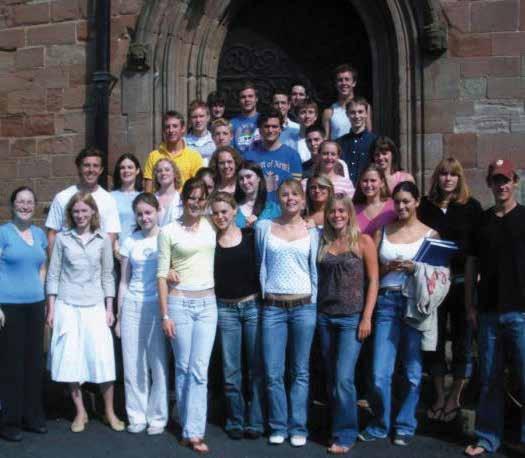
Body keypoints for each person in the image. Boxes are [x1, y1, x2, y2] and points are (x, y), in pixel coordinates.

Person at [359, 181, 438, 446]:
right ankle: (381, 423)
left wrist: (415, 268)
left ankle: (405, 424)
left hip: (414, 304)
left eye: (406, 201)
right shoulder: (382, 231)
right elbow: (371, 274)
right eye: (397, 201)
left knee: (413, 371)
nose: (401, 206)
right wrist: (388, 267)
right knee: (380, 372)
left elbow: (438, 277)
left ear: (417, 202)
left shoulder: (431, 234)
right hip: (386, 302)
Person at [46, 192, 124, 433]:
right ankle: (80, 412)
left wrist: (109, 307)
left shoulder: (103, 239)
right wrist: (51, 307)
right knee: (70, 359)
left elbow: (108, 275)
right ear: (71, 214)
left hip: (95, 305)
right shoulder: (62, 239)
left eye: (84, 210)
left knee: (103, 358)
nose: (80, 215)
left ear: (92, 212)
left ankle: (109, 411)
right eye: (76, 211)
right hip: (67, 305)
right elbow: (53, 274)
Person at [464, 159, 525, 457]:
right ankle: (487, 438)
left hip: (521, 312)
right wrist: (470, 305)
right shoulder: (482, 221)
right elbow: (471, 264)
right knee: (489, 378)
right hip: (488, 311)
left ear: (515, 182)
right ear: (489, 184)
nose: (501, 186)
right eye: (496, 180)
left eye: (506, 180)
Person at [417, 158, 482, 425]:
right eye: (443, 174)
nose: (448, 179)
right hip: (434, 282)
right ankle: (439, 394)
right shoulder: (425, 206)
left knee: (462, 340)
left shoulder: (471, 206)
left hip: (461, 282)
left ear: (459, 178)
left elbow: (478, 245)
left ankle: (455, 395)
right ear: (437, 177)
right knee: (434, 339)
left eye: (453, 175)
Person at [255, 178, 320, 447]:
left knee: (300, 371)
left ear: (303, 200)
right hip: (273, 308)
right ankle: (278, 425)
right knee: (273, 372)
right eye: (284, 194)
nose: (290, 198)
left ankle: (298, 426)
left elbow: (315, 268)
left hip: (304, 307)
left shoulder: (313, 231)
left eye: (295, 194)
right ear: (278, 199)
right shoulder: (264, 228)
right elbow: (259, 262)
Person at [157, 178, 216, 454]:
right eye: (192, 197)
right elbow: (161, 275)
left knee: (199, 370)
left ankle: (194, 432)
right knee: (182, 367)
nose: (196, 202)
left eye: (201, 198)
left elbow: (236, 220)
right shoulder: (168, 231)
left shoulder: (211, 225)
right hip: (179, 304)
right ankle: (186, 426)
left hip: (208, 305)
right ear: (183, 200)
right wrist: (165, 315)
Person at [317, 195, 379, 454]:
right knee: (332, 377)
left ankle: (346, 434)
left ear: (350, 213)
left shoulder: (363, 241)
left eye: (342, 211)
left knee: (344, 378)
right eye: (332, 211)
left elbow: (373, 281)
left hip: (351, 318)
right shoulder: (323, 242)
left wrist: (367, 317)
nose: (337, 215)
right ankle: (335, 427)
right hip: (325, 316)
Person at [209, 192, 264, 440]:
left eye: (224, 211)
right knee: (231, 370)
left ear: (234, 211)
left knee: (255, 368)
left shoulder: (250, 237)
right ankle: (235, 419)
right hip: (225, 310)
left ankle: (256, 420)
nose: (220, 216)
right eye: (215, 213)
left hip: (252, 307)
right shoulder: (210, 242)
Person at [115, 193, 168, 435]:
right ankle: (136, 415)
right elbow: (123, 282)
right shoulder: (130, 241)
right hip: (132, 305)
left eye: (148, 212)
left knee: (157, 363)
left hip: (157, 305)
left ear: (157, 211)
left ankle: (158, 417)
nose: (144, 217)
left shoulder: (166, 236)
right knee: (132, 362)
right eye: (140, 214)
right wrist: (119, 316)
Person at [0, 187, 48, 442]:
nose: (25, 206)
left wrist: (41, 292)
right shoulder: (3, 233)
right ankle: (9, 421)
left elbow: (42, 267)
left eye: (29, 202)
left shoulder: (39, 234)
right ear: (12, 205)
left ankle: (32, 416)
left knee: (33, 362)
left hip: (35, 306)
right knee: (11, 365)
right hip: (9, 307)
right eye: (20, 202)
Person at [45, 147, 121, 251]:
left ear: (101, 170)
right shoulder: (62, 197)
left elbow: (111, 235)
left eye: (95, 166)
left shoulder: (109, 200)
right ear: (79, 168)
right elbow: (52, 233)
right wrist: (54, 260)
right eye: (86, 165)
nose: (91, 170)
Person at [245, 110, 302, 204]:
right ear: (260, 130)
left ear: (281, 129)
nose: (270, 130)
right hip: (257, 208)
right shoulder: (249, 156)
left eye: (274, 126)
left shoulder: (292, 156)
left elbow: (297, 189)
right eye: (266, 126)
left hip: (283, 208)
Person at [143, 111, 203, 192]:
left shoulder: (194, 156)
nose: (171, 130)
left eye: (175, 126)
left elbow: (199, 187)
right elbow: (148, 190)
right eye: (167, 127)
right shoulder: (153, 156)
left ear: (183, 129)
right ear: (164, 130)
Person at [322, 64, 372, 141]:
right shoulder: (329, 112)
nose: (344, 83)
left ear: (354, 83)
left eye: (347, 79)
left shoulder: (365, 107)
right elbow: (326, 140)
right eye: (340, 80)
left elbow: (369, 135)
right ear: (335, 84)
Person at [337, 98, 377, 185]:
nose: (357, 116)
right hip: (344, 189)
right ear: (347, 114)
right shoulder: (339, 143)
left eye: (360, 112)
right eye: (352, 112)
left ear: (366, 114)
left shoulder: (375, 141)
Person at [111, 153, 143, 252]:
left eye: (130, 167)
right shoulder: (110, 197)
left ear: (137, 170)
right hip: (117, 250)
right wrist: (116, 248)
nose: (126, 171)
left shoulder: (143, 197)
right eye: (122, 168)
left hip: (140, 250)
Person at [234, 161, 280, 229]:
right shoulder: (233, 208)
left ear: (258, 178)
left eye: (248, 177)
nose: (245, 182)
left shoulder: (272, 209)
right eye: (241, 178)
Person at [353, 164, 397, 236]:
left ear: (382, 183)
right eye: (365, 181)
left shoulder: (393, 206)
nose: (368, 185)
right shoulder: (353, 210)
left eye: (373, 180)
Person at [230, 82, 260, 154]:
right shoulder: (232, 123)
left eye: (250, 96)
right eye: (243, 97)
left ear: (256, 99)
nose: (247, 99)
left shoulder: (264, 120)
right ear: (239, 100)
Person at [153, 159, 183, 227]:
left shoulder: (181, 199)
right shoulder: (152, 199)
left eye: (167, 170)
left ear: (174, 173)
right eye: (159, 171)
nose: (163, 173)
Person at [185, 100, 216, 164]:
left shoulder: (215, 140)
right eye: (194, 117)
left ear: (208, 117)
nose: (198, 120)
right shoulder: (183, 143)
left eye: (201, 116)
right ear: (190, 119)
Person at [296, 98, 320, 163]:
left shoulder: (322, 141)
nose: (307, 116)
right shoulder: (291, 142)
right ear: (297, 117)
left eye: (310, 112)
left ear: (316, 116)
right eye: (303, 112)